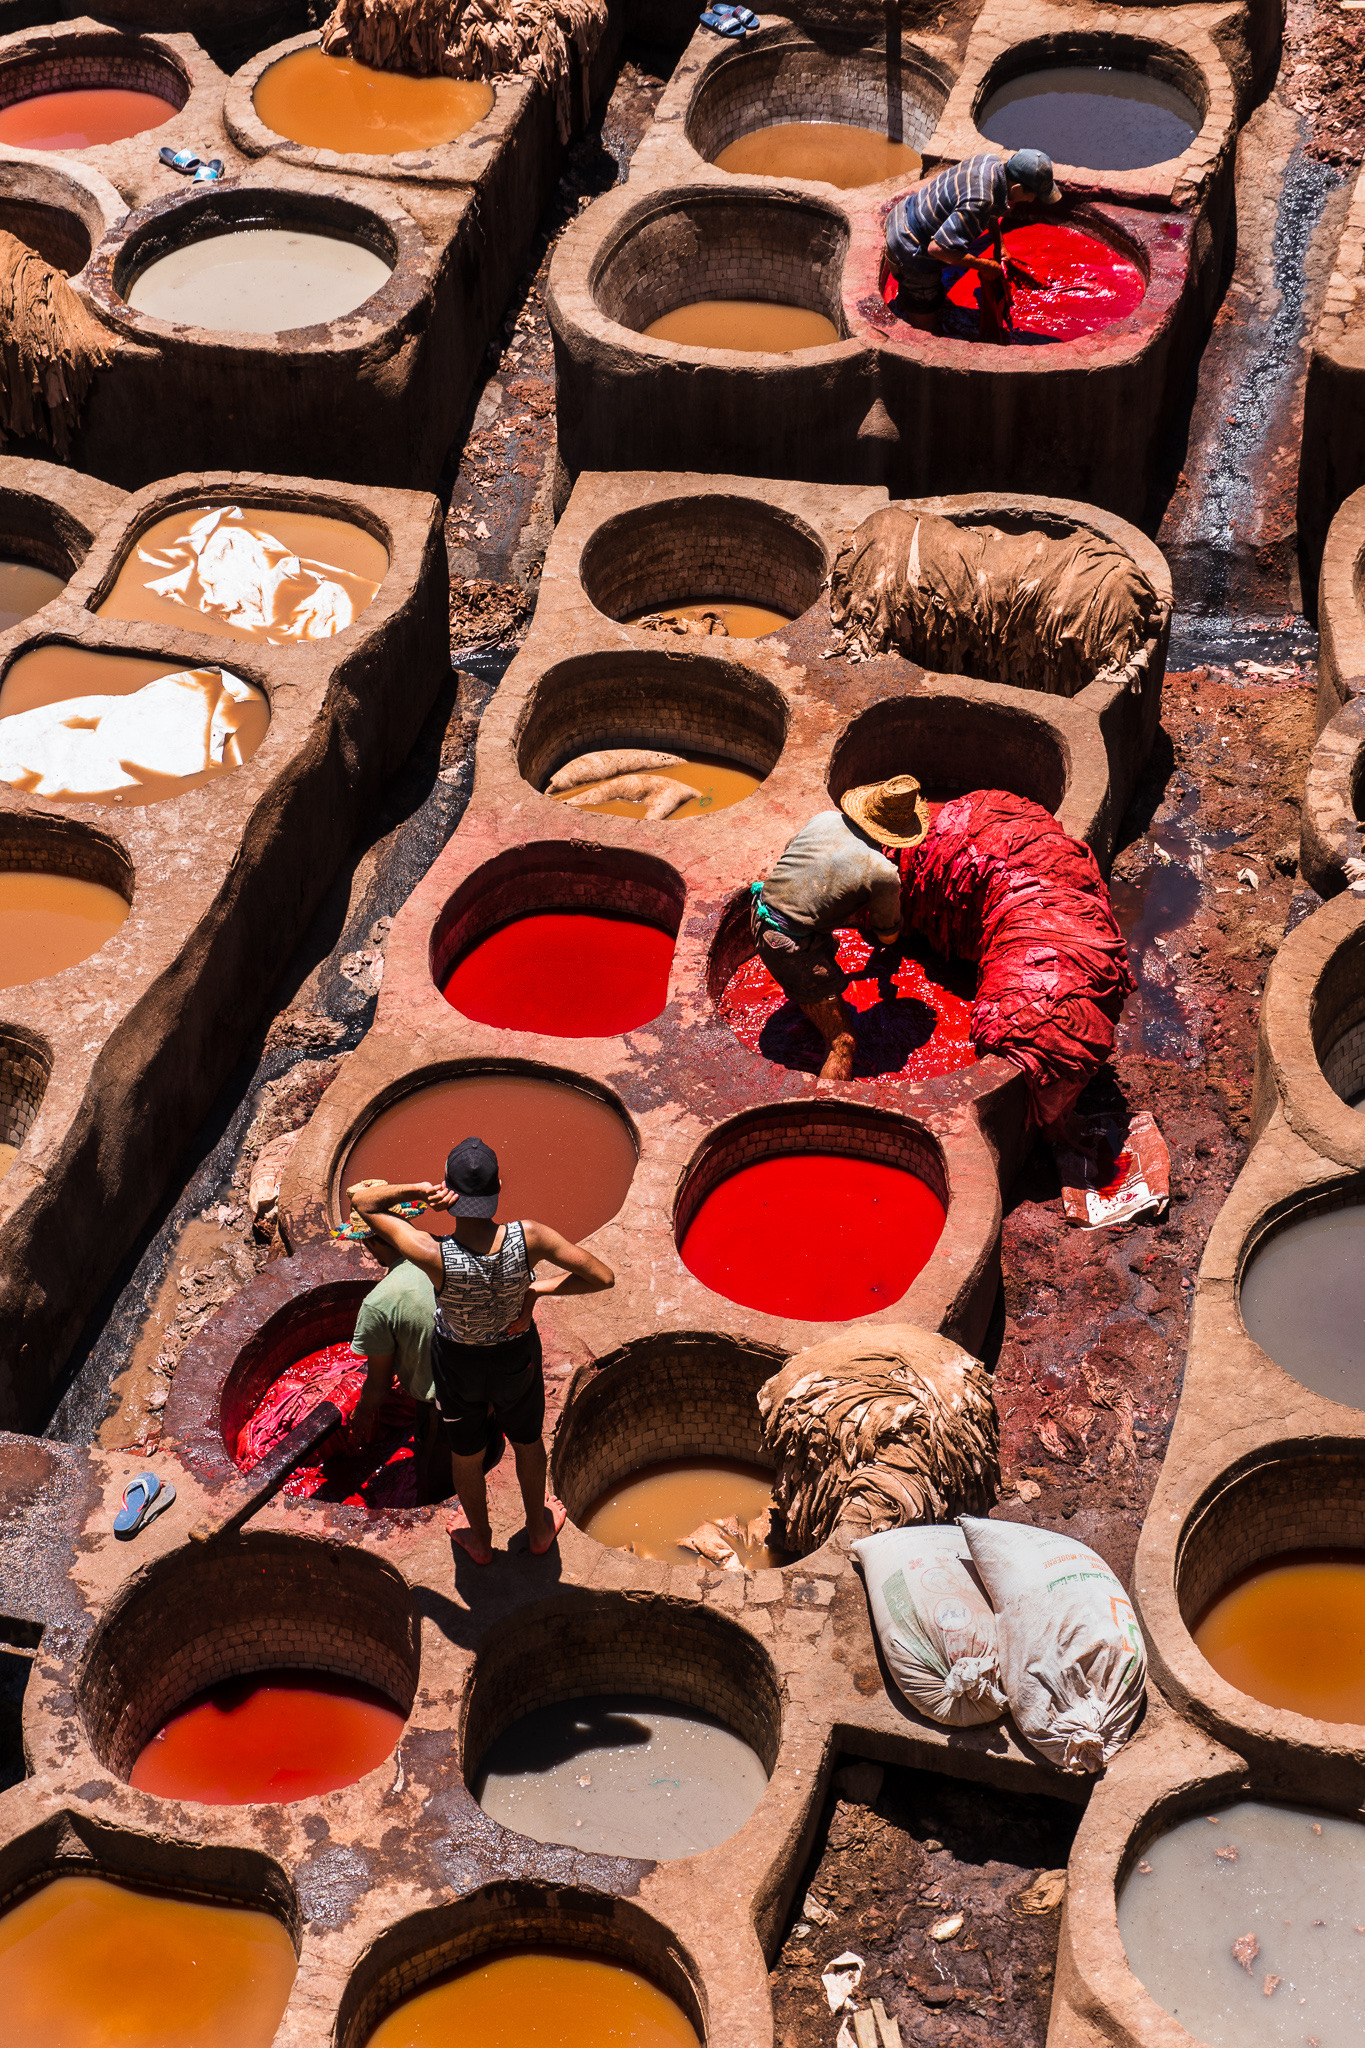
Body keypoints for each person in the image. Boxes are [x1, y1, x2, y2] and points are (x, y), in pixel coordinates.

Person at [349, 1135, 614, 1565]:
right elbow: (602, 1277)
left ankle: (481, 1540)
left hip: (458, 1367)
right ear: (499, 1188)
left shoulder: (431, 1253)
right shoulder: (530, 1236)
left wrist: (418, 1191)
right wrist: (533, 1293)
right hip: (515, 1357)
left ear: (448, 1193)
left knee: (465, 1456)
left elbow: (364, 1203)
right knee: (528, 1443)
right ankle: (539, 1528)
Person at [750, 774, 929, 1082]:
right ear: (898, 833)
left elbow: (795, 859)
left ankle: (813, 1000)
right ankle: (824, 1112)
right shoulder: (882, 871)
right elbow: (886, 934)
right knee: (844, 1041)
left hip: (758, 912)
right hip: (790, 947)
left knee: (828, 947)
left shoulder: (825, 819)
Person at [882, 148, 1062, 335]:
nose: (1032, 201)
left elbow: (991, 207)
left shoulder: (991, 163)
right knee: (926, 327)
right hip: (909, 245)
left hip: (903, 214)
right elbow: (938, 249)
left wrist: (999, 244)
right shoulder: (982, 201)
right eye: (1033, 195)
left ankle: (909, 297)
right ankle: (916, 319)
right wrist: (983, 266)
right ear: (1017, 189)